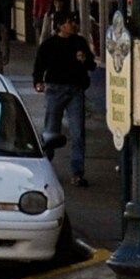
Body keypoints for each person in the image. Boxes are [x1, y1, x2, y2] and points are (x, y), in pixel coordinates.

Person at [29, 10, 98, 184]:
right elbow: (39, 64)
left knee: (78, 132)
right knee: (51, 131)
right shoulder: (50, 44)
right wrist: (38, 81)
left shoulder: (79, 42)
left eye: (74, 21)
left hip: (75, 89)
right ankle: (46, 167)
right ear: (60, 25)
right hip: (55, 89)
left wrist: (84, 61)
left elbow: (92, 65)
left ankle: (77, 172)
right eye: (69, 21)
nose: (73, 25)